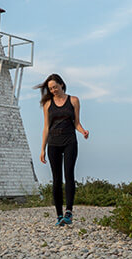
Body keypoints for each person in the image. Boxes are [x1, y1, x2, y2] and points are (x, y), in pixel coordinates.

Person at [35, 73, 89, 226]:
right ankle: (59, 215)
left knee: (69, 175)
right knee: (57, 179)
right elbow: (46, 127)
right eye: (50, 88)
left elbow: (76, 122)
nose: (53, 90)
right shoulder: (47, 104)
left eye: (55, 87)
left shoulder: (73, 100)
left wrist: (83, 131)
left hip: (70, 141)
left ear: (62, 85)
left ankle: (69, 212)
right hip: (53, 143)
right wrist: (42, 149)